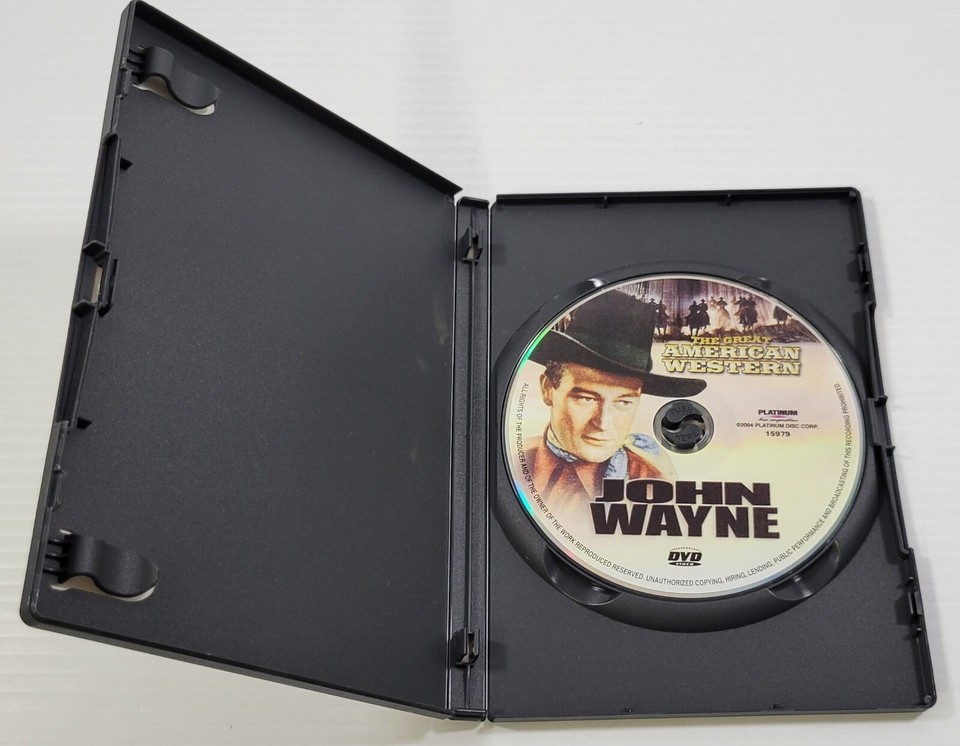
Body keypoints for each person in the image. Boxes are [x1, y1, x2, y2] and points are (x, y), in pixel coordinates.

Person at [523, 290, 706, 512]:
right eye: (586, 399)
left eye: (623, 403)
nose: (603, 423)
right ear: (547, 389)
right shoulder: (514, 462)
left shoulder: (653, 482)